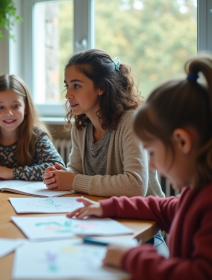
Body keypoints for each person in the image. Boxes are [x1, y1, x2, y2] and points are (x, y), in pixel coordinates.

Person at [66, 54, 212, 279]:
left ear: (183, 142)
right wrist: (108, 207)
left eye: (152, 153)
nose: (151, 164)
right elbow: (165, 208)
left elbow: (197, 274)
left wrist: (130, 256)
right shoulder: (194, 194)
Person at [43, 49, 164, 198]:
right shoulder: (80, 127)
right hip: (105, 213)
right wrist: (60, 177)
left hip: (146, 217)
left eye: (77, 86)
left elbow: (136, 186)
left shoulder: (130, 122)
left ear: (101, 88)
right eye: (67, 86)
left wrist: (74, 181)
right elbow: (76, 170)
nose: (68, 95)